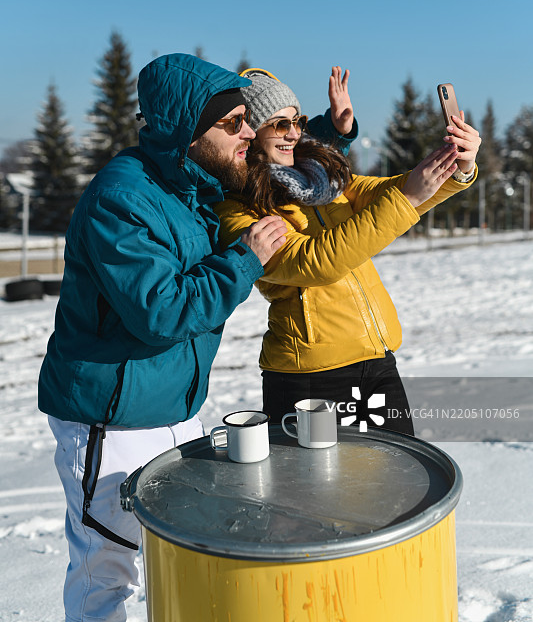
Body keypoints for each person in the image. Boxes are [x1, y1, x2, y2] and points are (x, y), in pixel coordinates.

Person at [38, 53, 287, 622]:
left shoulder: (192, 184)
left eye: (247, 119)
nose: (248, 132)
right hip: (112, 416)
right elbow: (161, 310)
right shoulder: (121, 199)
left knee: (178, 555)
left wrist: (334, 134)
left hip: (173, 406)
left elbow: (282, 160)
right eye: (233, 124)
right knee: (108, 570)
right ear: (186, 131)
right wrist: (243, 261)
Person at [216, 67, 482, 436]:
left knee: (399, 483)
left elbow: (393, 191)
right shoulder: (238, 206)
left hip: (376, 360)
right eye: (279, 125)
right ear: (250, 132)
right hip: (309, 378)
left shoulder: (321, 176)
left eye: (297, 121)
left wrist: (459, 167)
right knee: (315, 492)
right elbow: (312, 261)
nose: (293, 133)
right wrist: (409, 197)